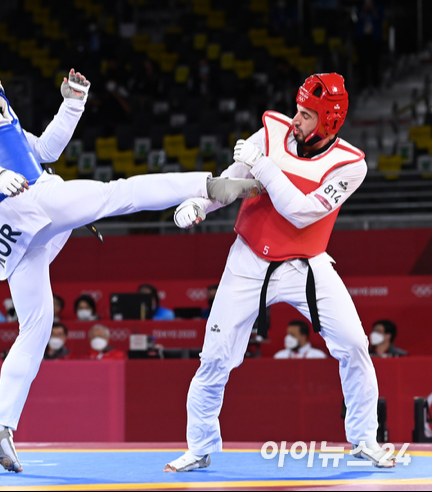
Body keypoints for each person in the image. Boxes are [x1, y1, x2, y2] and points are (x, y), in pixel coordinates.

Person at [0, 38, 259, 473]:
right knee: (119, 193)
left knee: (36, 325)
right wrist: (0, 175)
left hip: (10, 229)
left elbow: (45, 152)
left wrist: (72, 105)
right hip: (27, 202)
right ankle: (207, 186)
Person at [167, 73, 396, 472]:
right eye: (298, 109)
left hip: (307, 265)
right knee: (215, 358)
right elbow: (232, 182)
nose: (296, 119)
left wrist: (266, 168)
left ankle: (364, 439)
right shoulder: (269, 133)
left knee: (355, 345)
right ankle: (200, 447)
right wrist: (198, 206)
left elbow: (303, 212)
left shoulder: (349, 165)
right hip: (249, 259)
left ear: (329, 121)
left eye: (307, 115)